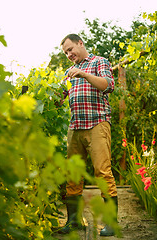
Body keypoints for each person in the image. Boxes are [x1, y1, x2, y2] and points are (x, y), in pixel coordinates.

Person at [58, 33, 118, 236]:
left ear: (80, 43)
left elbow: (108, 86)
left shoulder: (98, 62)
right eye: (65, 52)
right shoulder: (68, 72)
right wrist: (56, 98)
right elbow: (63, 96)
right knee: (73, 176)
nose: (68, 54)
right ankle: (74, 222)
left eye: (70, 49)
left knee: (102, 172)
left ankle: (110, 223)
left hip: (97, 124)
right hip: (75, 127)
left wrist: (84, 74)